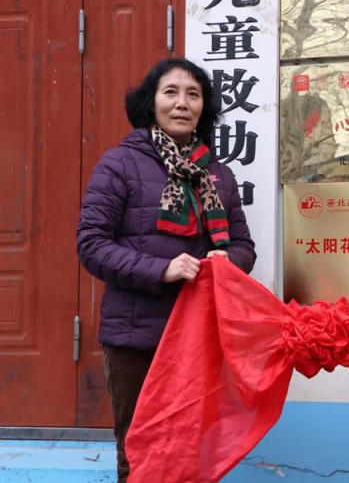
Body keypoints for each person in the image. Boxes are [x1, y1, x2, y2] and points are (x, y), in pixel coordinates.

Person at [76, 58, 256, 482]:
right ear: (151, 102)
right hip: (137, 336)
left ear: (204, 107)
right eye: (170, 92)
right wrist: (161, 269)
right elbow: (91, 244)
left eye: (193, 94)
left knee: (194, 448)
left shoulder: (219, 175)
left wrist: (228, 261)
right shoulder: (119, 164)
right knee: (141, 449)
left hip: (200, 336)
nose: (182, 103)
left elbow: (243, 246)